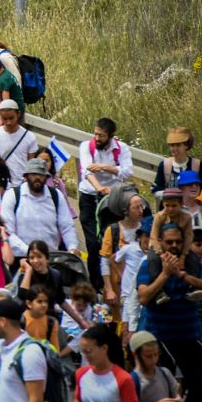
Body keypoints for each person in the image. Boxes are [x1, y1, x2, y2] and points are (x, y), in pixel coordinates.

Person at [135, 221, 202, 402]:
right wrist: (166, 274)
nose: (174, 246)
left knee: (199, 387)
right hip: (160, 336)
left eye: (178, 241)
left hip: (188, 333)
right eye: (169, 242)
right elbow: (144, 296)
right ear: (161, 243)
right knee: (163, 391)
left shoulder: (193, 262)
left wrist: (184, 276)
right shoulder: (150, 264)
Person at [76, 117, 131, 293]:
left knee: (110, 241)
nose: (97, 139)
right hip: (89, 197)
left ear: (111, 136)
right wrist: (100, 187)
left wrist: (103, 167)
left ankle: (114, 283)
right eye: (95, 134)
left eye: (101, 136)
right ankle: (95, 285)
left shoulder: (121, 149)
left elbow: (128, 171)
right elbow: (86, 170)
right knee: (93, 243)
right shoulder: (87, 146)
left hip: (112, 200)